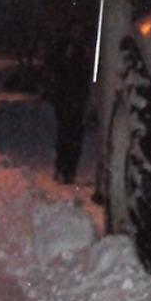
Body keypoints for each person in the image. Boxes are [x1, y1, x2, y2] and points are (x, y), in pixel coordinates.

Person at [44, 18, 92, 184]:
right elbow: (54, 68)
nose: (76, 33)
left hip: (78, 98)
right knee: (64, 134)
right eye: (74, 30)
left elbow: (86, 73)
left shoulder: (83, 50)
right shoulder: (62, 48)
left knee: (75, 136)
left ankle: (70, 170)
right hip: (65, 98)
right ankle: (61, 167)